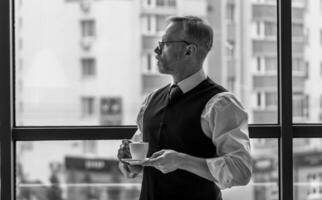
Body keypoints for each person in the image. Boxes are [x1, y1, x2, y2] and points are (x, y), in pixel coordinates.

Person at [118, 16, 252, 200]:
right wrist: (132, 165)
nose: (156, 50)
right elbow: (142, 160)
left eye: (164, 43)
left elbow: (240, 170)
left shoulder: (221, 104)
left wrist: (182, 161)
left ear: (189, 50)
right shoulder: (151, 100)